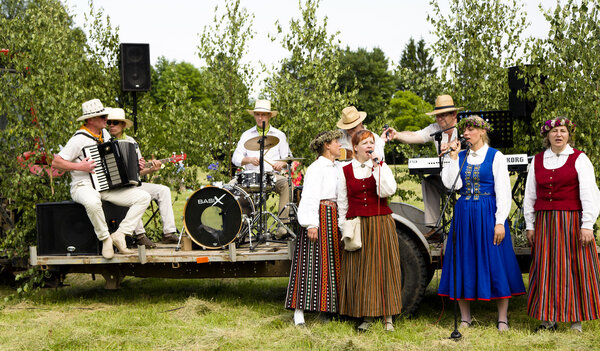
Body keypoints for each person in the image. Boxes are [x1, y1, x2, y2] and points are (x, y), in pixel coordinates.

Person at [438, 116, 525, 331]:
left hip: (488, 213)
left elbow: (503, 191)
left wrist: (499, 222)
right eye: (464, 131)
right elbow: (451, 185)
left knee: (495, 261)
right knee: (463, 260)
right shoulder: (461, 156)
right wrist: (453, 158)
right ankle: (465, 317)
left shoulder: (496, 156)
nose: (466, 134)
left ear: (482, 132)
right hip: (464, 213)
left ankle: (502, 317)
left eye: (470, 130)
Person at [524, 117, 600, 332]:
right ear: (547, 135)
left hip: (571, 222)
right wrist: (530, 224)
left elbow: (589, 192)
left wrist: (587, 224)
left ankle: (576, 319)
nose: (559, 134)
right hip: (545, 222)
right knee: (546, 268)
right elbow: (530, 194)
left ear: (569, 134)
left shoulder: (579, 158)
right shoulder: (538, 160)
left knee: (574, 267)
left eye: (563, 131)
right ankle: (548, 319)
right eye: (554, 131)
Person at [52, 99, 151, 259]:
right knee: (92, 202)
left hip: (104, 187)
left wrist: (135, 164)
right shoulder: (79, 139)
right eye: (102, 116)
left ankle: (120, 234)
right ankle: (105, 239)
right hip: (82, 186)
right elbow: (56, 162)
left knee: (143, 197)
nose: (106, 119)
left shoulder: (104, 134)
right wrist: (80, 167)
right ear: (91, 120)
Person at [337, 129, 402, 332]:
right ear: (354, 147)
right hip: (358, 225)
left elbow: (388, 191)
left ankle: (388, 317)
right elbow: (342, 203)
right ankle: (367, 316)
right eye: (364, 143)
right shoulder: (345, 170)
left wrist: (378, 166)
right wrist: (344, 227)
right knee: (363, 271)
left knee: (384, 269)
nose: (369, 146)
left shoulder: (380, 166)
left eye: (371, 142)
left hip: (381, 222)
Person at [285, 130, 344, 326]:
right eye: (337, 142)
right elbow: (309, 195)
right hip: (318, 216)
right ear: (327, 145)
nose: (340, 145)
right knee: (309, 264)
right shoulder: (317, 167)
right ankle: (298, 312)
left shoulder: (337, 167)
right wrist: (311, 223)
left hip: (332, 217)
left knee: (330, 265)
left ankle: (326, 309)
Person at [382, 95, 461, 239]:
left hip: (465, 175)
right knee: (429, 181)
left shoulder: (464, 127)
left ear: (454, 114)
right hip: (445, 175)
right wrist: (397, 135)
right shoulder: (435, 128)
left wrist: (452, 147)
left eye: (442, 115)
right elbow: (415, 135)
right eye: (437, 116)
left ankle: (464, 225)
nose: (439, 119)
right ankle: (434, 227)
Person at [106, 108, 179, 247]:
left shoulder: (131, 142)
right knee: (136, 195)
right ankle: (140, 236)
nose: (111, 125)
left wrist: (150, 169)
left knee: (163, 190)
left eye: (115, 122)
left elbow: (137, 172)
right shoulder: (105, 142)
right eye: (109, 122)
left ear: (122, 125)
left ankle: (168, 233)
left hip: (133, 184)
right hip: (115, 188)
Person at [232, 99, 291, 236]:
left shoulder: (279, 135)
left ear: (269, 116)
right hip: (249, 177)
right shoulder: (246, 135)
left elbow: (288, 158)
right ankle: (235, 229)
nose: (260, 118)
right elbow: (235, 159)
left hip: (271, 176)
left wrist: (281, 163)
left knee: (287, 185)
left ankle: (282, 225)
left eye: (263, 115)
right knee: (228, 188)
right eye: (257, 114)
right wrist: (248, 160)